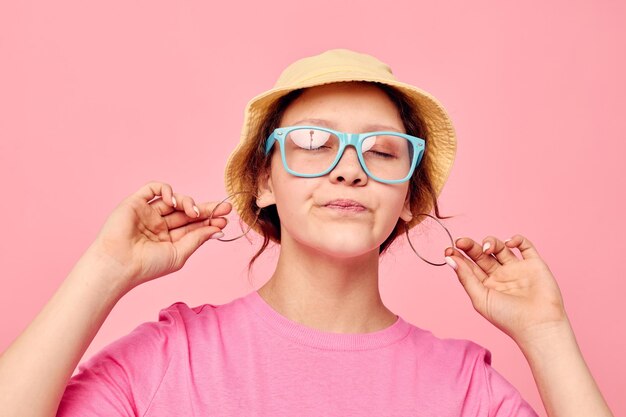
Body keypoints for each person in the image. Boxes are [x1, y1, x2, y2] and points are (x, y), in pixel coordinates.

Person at [0, 49, 614, 417]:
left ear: (410, 200)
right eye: (314, 143)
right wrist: (104, 269)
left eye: (382, 150)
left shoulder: (463, 386)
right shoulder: (173, 355)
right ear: (264, 182)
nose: (349, 167)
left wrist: (545, 333)